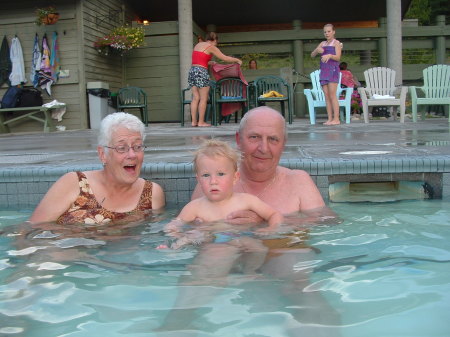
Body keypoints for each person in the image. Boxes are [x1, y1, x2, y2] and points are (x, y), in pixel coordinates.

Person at [160, 139, 284, 274]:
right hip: (209, 242)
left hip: (239, 239)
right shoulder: (194, 207)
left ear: (235, 177)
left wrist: (272, 228)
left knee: (260, 249)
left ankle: (249, 271)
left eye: (221, 174)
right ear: (198, 179)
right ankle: (170, 251)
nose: (213, 181)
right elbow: (177, 223)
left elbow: (274, 214)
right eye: (206, 175)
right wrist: (173, 231)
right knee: (189, 238)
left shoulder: (246, 200)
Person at [29, 112, 165, 225]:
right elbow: (32, 231)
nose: (132, 155)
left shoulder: (151, 194)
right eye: (121, 148)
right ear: (102, 154)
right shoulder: (74, 183)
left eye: (137, 147)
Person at [188, 32, 242, 127]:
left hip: (192, 71)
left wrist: (209, 62)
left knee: (195, 98)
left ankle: (193, 122)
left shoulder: (198, 45)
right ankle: (201, 122)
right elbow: (224, 58)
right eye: (216, 42)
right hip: (201, 71)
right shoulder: (210, 46)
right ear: (214, 39)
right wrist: (237, 60)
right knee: (203, 98)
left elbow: (198, 60)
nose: (216, 44)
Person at [311, 23, 342, 125]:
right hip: (324, 71)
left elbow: (338, 57)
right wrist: (317, 50)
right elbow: (312, 55)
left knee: (333, 95)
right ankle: (329, 119)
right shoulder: (322, 43)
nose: (327, 33)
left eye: (329, 31)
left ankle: (336, 119)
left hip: (333, 70)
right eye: (325, 32)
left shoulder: (336, 43)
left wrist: (329, 55)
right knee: (327, 96)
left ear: (333, 32)